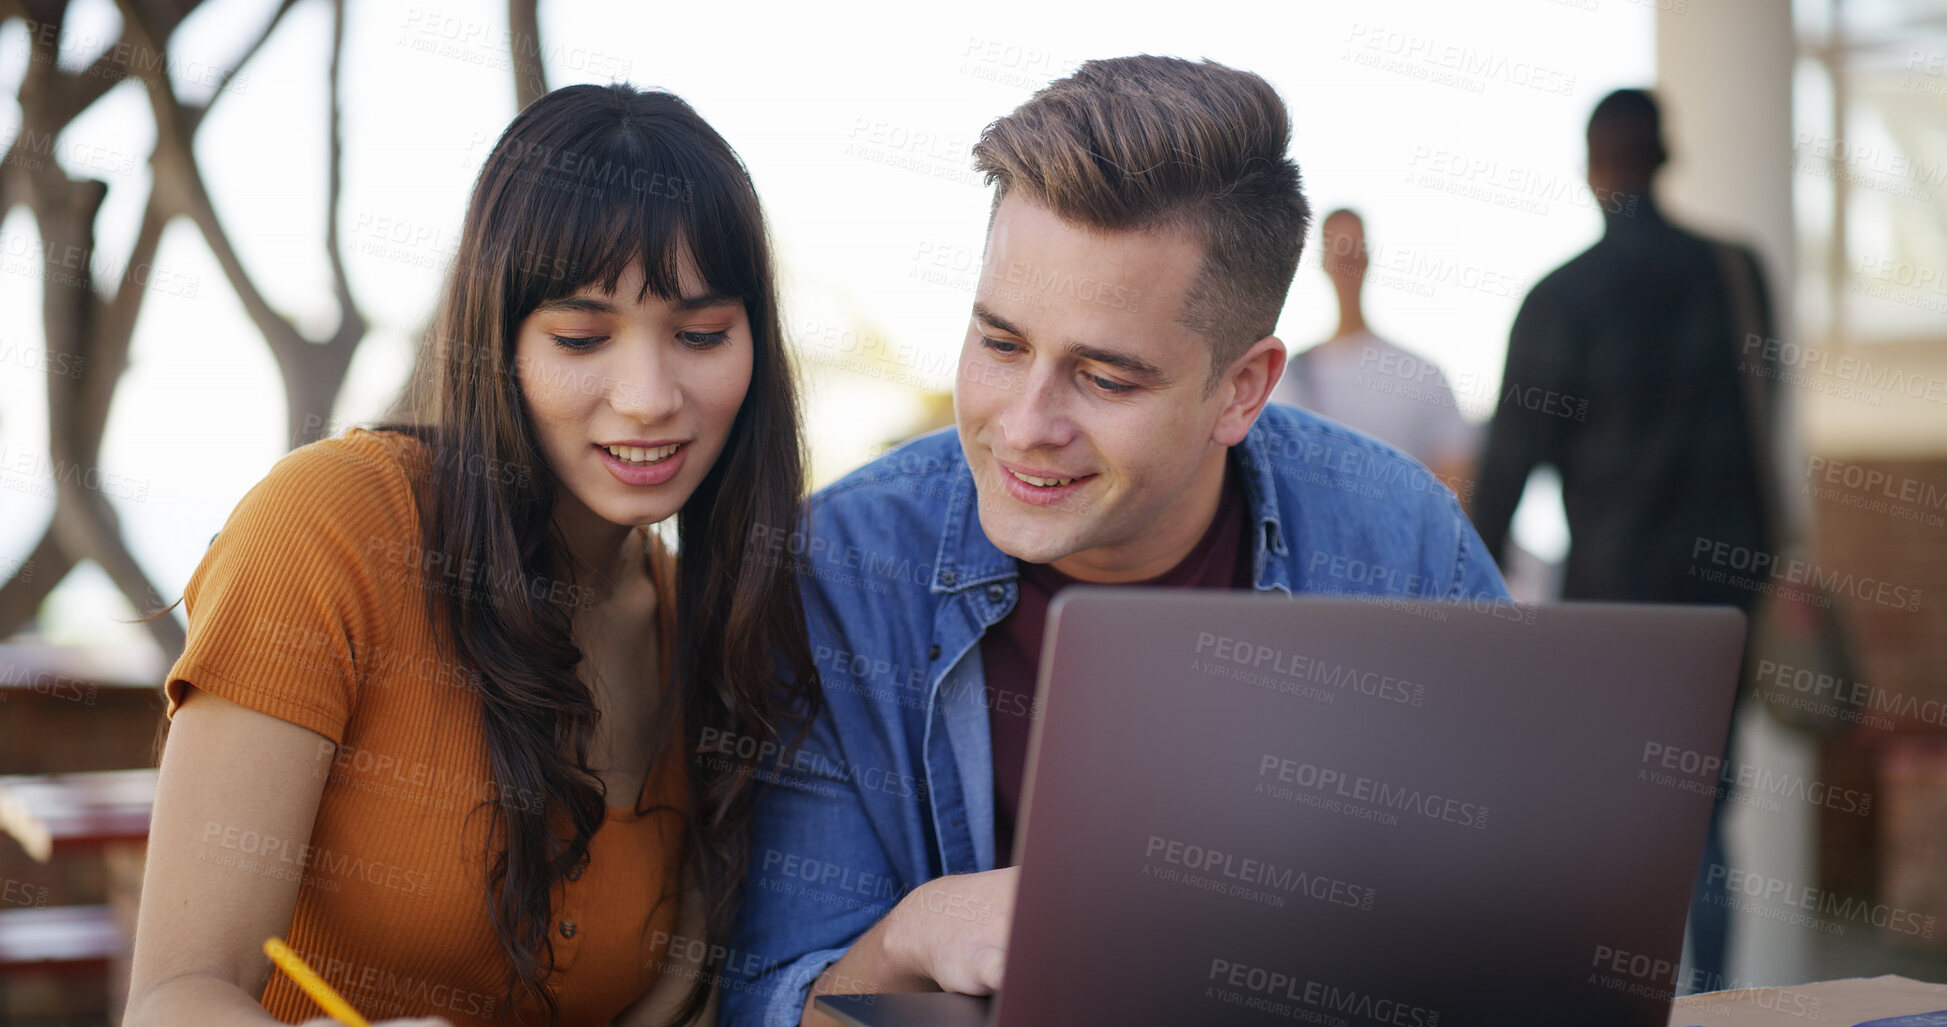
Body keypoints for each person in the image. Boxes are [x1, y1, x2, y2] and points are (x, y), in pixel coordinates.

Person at [721, 56, 1510, 1027]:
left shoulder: (1399, 537)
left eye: (1104, 377)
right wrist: (912, 935)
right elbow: (769, 1001)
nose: (1024, 423)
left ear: (1242, 389)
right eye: (1001, 345)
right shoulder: (839, 568)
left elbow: (1526, 929)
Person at [124, 83, 817, 1027]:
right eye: (581, 336)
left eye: (700, 334)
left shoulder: (703, 621)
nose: (649, 396)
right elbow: (173, 998)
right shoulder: (327, 526)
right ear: (499, 342)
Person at [1469, 88, 1781, 986]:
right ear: (1665, 156)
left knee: (1610, 820)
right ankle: (1714, 1006)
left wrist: (1453, 604)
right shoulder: (1735, 272)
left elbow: (1504, 475)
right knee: (1706, 818)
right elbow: (1767, 429)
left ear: (1593, 166)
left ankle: (1616, 1003)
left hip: (1611, 605)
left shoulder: (1560, 298)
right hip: (1722, 598)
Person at [1271, 208, 1479, 491]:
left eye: (1355, 251)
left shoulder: (1422, 374)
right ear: (1324, 262)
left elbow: (1455, 487)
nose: (1348, 264)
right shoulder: (1288, 379)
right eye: (1340, 252)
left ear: (1367, 258)